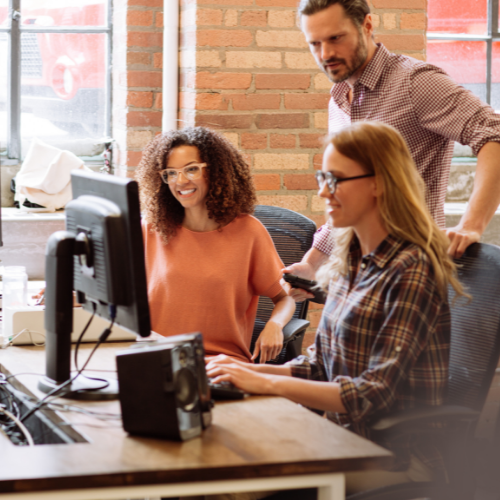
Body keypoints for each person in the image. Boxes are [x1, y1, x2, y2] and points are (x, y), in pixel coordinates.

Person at [207, 122, 465, 494]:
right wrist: (241, 370)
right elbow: (320, 366)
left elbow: (373, 393)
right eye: (322, 177)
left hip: (395, 459)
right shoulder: (351, 260)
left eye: (336, 179)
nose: (323, 191)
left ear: (380, 182)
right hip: (338, 437)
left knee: (236, 486)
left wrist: (264, 382)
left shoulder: (412, 269)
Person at [284, 0, 500, 301]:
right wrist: (312, 264)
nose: (326, 54)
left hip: (410, 275)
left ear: (367, 25)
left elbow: (494, 132)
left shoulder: (416, 83)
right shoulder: (339, 99)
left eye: (335, 38)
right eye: (315, 43)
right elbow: (349, 194)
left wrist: (472, 225)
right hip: (358, 279)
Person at [136, 127, 295, 364]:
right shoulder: (151, 229)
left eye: (191, 169)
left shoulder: (248, 233)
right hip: (155, 357)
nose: (180, 181)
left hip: (220, 363)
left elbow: (285, 298)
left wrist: (274, 325)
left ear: (217, 171)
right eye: (171, 173)